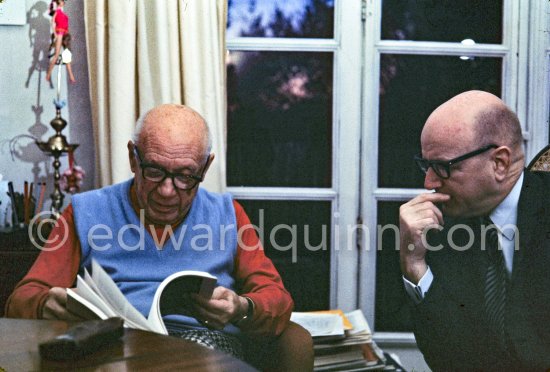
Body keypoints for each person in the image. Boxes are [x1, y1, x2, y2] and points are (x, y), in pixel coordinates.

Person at [6, 104, 313, 370]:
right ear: (132, 158)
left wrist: (241, 307)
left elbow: (277, 300)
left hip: (206, 353)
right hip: (117, 352)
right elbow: (21, 299)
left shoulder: (228, 214)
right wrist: (47, 304)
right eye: (154, 171)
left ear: (205, 168)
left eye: (185, 177)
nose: (167, 191)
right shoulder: (86, 212)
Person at [399, 90, 550, 370]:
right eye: (425, 165)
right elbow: (447, 360)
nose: (429, 182)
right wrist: (414, 264)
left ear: (499, 163)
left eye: (442, 167)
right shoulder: (442, 227)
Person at [46, 0, 71, 83]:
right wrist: (55, 34)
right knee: (56, 55)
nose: (62, 2)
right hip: (59, 33)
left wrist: (68, 34)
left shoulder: (63, 13)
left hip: (64, 33)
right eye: (61, 1)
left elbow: (66, 25)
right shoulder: (57, 11)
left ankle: (71, 75)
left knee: (66, 54)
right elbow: (52, 22)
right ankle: (48, 74)